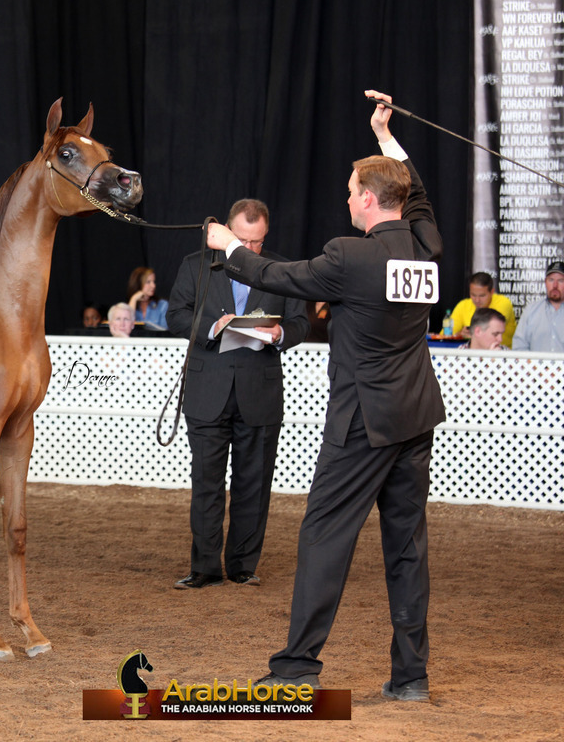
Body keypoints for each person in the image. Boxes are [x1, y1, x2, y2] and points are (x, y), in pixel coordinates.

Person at [208, 91, 444, 702]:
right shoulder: (425, 246)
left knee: (324, 537)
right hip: (416, 414)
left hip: (364, 421)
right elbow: (414, 196)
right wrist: (386, 137)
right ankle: (411, 676)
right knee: (407, 546)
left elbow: (272, 276)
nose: (345, 197)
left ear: (367, 199)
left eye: (350, 189)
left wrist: (226, 246)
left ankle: (295, 669)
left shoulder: (350, 256)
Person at [167, 198, 308, 592]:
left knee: (254, 483)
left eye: (258, 242)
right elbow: (176, 315)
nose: (250, 249)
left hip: (258, 393)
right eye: (243, 239)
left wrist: (281, 335)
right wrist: (213, 327)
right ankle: (205, 567)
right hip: (207, 389)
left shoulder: (281, 270)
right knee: (206, 483)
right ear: (227, 232)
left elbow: (301, 321)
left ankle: (243, 566)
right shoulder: (196, 265)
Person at [449, 272, 516, 348]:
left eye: (482, 295)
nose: (477, 300)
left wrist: (471, 332)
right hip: (469, 354)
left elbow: (490, 328)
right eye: (473, 295)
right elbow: (446, 334)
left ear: (492, 292)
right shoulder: (463, 305)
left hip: (502, 354)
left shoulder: (503, 302)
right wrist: (459, 334)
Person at [512, 261, 564, 352]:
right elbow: (519, 346)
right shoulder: (531, 311)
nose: (555, 285)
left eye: (561, 281)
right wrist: (532, 365)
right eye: (551, 280)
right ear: (545, 282)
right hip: (535, 366)